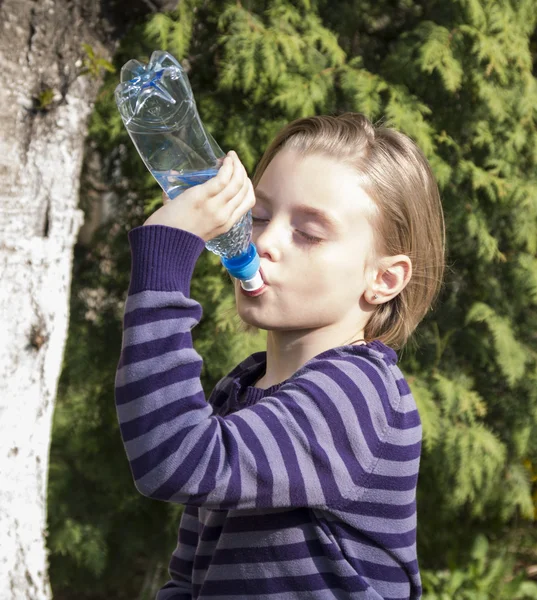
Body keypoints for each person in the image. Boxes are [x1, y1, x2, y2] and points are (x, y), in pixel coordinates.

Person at [115, 112, 445, 600]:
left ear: (384, 279)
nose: (263, 241)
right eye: (261, 216)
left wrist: (165, 258)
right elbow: (192, 575)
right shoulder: (241, 389)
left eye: (308, 233)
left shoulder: (358, 392)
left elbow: (176, 458)